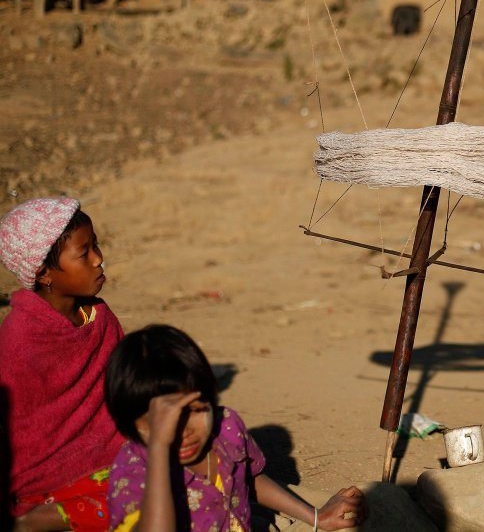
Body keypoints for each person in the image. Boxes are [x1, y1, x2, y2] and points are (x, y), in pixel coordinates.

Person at [103, 324, 368, 531]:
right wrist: (160, 450)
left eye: (194, 411)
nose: (182, 431)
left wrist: (316, 517)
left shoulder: (226, 426)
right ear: (130, 424)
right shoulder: (133, 473)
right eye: (162, 423)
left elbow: (250, 477)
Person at [0, 198, 125, 531]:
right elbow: (19, 428)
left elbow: (124, 390)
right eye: (85, 253)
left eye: (96, 245)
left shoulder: (99, 317)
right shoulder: (20, 339)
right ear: (44, 273)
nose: (99, 259)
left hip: (114, 453)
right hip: (47, 479)